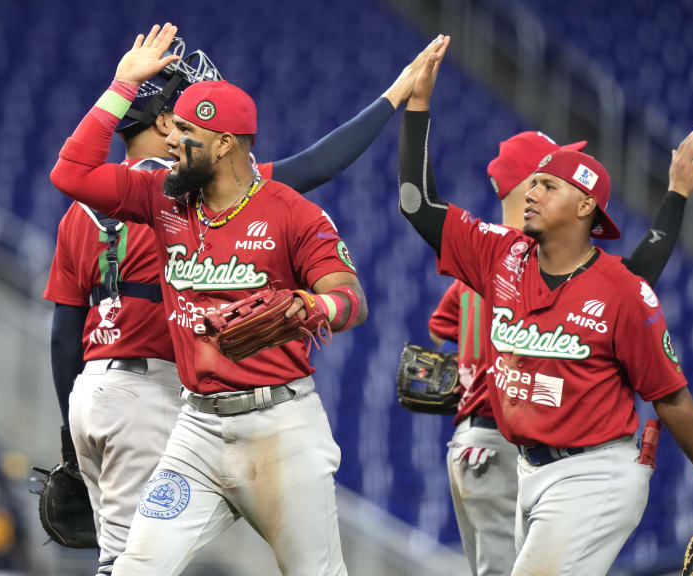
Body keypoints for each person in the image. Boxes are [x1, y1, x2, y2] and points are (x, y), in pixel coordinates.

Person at [45, 35, 435, 576]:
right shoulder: (163, 201)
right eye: (173, 127)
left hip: (279, 427)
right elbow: (69, 173)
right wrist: (122, 85)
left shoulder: (291, 212)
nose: (173, 141)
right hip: (195, 429)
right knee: (134, 568)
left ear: (226, 144)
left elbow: (350, 297)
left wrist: (311, 308)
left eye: (187, 132)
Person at [399, 36, 693, 575]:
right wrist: (418, 107)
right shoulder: (500, 257)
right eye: (534, 181)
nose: (533, 192)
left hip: (596, 474)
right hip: (527, 470)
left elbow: (672, 398)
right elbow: (415, 203)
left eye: (548, 184)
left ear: (586, 204)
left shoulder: (620, 290)